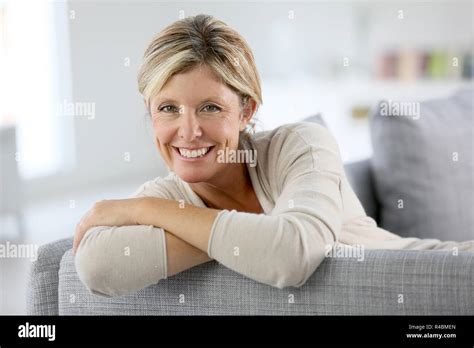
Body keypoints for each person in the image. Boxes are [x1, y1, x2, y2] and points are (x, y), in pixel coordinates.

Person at [72, 14, 473, 298]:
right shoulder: (166, 197)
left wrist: (143, 208)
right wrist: (264, 234)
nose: (188, 131)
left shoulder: (300, 146)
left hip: (447, 277)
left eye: (210, 108)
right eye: (168, 108)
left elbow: (292, 254)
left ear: (246, 110)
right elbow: (96, 267)